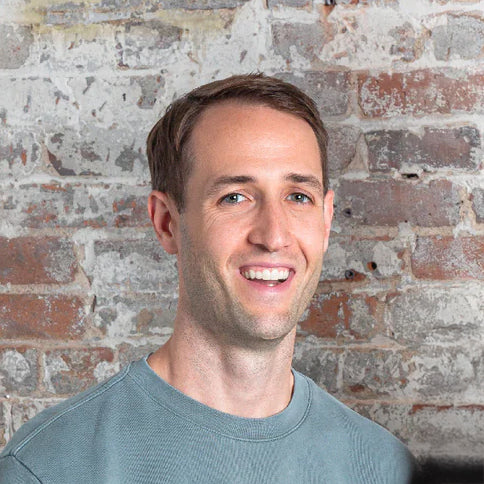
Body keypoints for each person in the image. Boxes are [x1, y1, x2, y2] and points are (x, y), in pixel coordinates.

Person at [0, 74, 417, 483]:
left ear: (326, 221)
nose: (273, 236)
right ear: (167, 223)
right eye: (234, 197)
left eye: (298, 197)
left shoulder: (385, 467)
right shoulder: (49, 466)